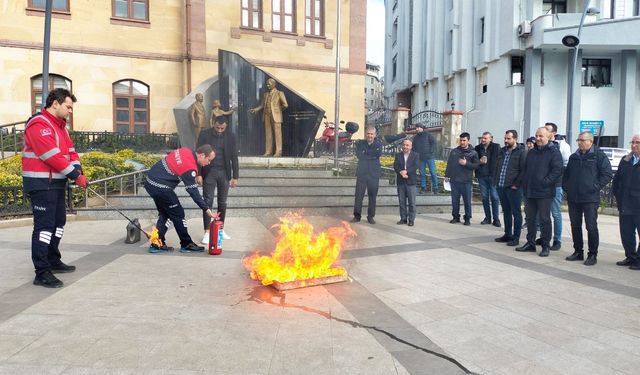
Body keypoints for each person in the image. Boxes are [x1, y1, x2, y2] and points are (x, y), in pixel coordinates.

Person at [22, 88, 88, 288]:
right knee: (44, 227)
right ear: (55, 104)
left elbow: (71, 152)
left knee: (58, 223)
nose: (70, 111)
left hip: (57, 183)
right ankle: (42, 271)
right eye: (68, 106)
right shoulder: (39, 124)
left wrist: (78, 169)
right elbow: (50, 155)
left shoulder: (62, 128)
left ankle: (53, 259)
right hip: (42, 184)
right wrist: (76, 175)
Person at [144, 145, 216, 253]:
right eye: (209, 160)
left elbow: (174, 161)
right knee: (178, 213)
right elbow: (193, 191)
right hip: (161, 187)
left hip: (150, 182)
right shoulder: (190, 168)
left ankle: (156, 243)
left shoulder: (185, 150)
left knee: (166, 213)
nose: (209, 163)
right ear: (202, 155)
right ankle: (186, 244)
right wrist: (206, 208)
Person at [563, 131, 612, 266]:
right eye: (578, 140)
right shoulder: (574, 157)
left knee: (591, 226)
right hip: (574, 198)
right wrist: (567, 187)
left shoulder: (598, 156)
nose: (579, 142)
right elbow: (566, 175)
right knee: (575, 225)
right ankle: (578, 251)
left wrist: (594, 187)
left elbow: (607, 174)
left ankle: (592, 254)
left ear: (591, 142)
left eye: (582, 140)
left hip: (590, 198)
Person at [516, 127, 563, 257]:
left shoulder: (554, 152)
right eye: (536, 136)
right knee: (530, 219)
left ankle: (545, 245)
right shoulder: (531, 152)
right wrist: (525, 184)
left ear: (548, 137)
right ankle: (530, 243)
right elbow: (525, 170)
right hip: (530, 191)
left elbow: (557, 171)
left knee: (544, 219)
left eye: (541, 136)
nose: (538, 138)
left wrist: (544, 182)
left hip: (544, 192)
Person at [196, 116, 239, 243]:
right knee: (207, 201)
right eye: (217, 128)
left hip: (224, 173)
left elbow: (234, 157)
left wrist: (235, 177)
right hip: (209, 172)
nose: (220, 130)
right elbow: (198, 155)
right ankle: (207, 232)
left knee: (222, 203)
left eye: (222, 128)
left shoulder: (230, 136)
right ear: (213, 124)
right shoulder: (204, 134)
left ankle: (220, 229)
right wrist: (198, 174)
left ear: (226, 127)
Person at [493, 130, 527, 247]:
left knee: (516, 212)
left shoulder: (522, 152)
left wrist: (516, 184)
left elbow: (524, 170)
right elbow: (498, 167)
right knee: (506, 211)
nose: (506, 141)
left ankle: (516, 237)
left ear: (515, 139)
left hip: (514, 188)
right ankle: (507, 234)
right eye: (505, 138)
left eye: (509, 139)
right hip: (501, 186)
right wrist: (496, 182)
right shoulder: (502, 151)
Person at [612, 134, 640, 271]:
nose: (634, 145)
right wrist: (617, 195)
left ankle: (639, 260)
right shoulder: (626, 160)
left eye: (638, 142)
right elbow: (617, 180)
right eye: (632, 142)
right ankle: (630, 256)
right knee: (626, 233)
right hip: (625, 203)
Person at [544, 122, 571, 250]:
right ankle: (545, 238)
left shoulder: (563, 146)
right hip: (543, 185)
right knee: (543, 213)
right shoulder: (541, 145)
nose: (545, 132)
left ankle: (557, 240)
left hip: (555, 185)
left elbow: (564, 166)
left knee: (555, 213)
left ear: (553, 133)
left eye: (547, 130)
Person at [444, 132, 479, 225]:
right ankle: (455, 217)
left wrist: (466, 163)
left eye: (464, 140)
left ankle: (467, 218)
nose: (462, 142)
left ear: (468, 141)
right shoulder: (455, 151)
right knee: (455, 201)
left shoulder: (473, 152)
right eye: (461, 140)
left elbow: (476, 165)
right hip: (454, 180)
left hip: (466, 181)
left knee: (467, 201)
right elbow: (449, 164)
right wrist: (447, 175)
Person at [249, 78, 288, 157]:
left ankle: (278, 151)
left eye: (269, 84)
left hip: (276, 116)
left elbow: (285, 105)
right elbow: (262, 105)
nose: (267, 85)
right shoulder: (265, 94)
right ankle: (268, 151)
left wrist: (278, 110)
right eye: (267, 84)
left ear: (274, 84)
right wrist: (255, 109)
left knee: (277, 135)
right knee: (268, 134)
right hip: (267, 115)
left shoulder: (279, 93)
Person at [353, 126, 383, 224]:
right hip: (362, 174)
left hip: (374, 174)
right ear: (366, 134)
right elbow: (359, 155)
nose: (369, 135)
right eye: (368, 133)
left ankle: (370, 217)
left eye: (371, 134)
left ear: (375, 135)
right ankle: (357, 216)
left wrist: (365, 153)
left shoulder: (379, 144)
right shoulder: (360, 143)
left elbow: (378, 154)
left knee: (372, 196)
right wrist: (371, 155)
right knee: (358, 196)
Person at [475, 131, 501, 227]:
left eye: (485, 138)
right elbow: (474, 161)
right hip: (482, 176)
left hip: (493, 176)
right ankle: (488, 218)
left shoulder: (496, 147)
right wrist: (479, 161)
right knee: (485, 198)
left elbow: (500, 161)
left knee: (494, 197)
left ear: (491, 138)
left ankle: (496, 219)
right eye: (482, 138)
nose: (483, 140)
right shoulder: (477, 148)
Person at [394, 139, 420, 226]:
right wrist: (400, 172)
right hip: (401, 181)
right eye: (404, 145)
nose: (405, 146)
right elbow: (395, 165)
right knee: (402, 202)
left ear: (411, 146)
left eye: (407, 145)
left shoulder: (415, 155)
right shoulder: (398, 155)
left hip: (411, 182)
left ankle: (411, 219)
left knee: (412, 202)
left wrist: (406, 171)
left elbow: (415, 165)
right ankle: (403, 218)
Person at [406, 125, 438, 194]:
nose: (416, 129)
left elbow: (434, 143)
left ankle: (436, 189)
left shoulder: (428, 135)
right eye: (416, 128)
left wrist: (431, 151)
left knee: (433, 173)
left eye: (418, 128)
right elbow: (413, 148)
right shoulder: (415, 137)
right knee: (422, 174)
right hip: (420, 159)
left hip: (430, 157)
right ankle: (423, 188)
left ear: (422, 128)